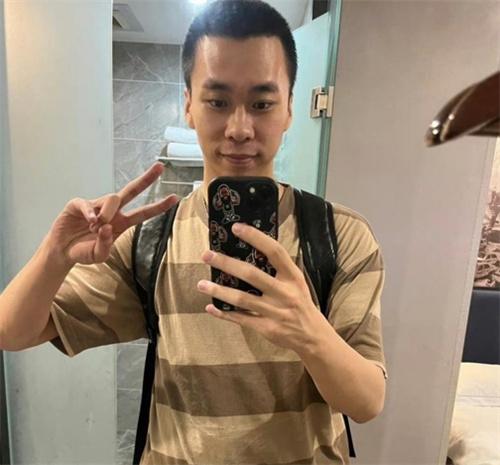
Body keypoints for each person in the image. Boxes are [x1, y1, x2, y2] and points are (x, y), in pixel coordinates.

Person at [0, 1, 387, 463]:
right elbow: (12, 331)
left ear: (289, 108)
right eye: (218, 101)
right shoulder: (150, 241)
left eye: (262, 103)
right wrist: (54, 255)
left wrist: (308, 332)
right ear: (188, 104)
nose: (239, 128)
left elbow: (366, 402)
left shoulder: (340, 236)